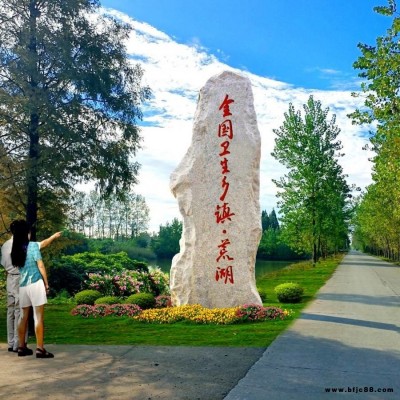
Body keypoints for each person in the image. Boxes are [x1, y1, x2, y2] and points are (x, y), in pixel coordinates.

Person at [1, 220, 61, 356]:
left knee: (22, 317)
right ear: (26, 233)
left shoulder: (14, 249)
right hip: (35, 283)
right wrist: (46, 283)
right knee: (38, 317)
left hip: (22, 286)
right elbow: (40, 265)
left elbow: (44, 243)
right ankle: (40, 349)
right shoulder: (33, 246)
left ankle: (21, 347)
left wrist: (52, 237)